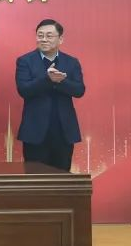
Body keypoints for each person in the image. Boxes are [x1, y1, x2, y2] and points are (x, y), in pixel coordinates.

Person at [15, 18, 85, 171]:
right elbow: (24, 90)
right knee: (35, 177)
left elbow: (79, 90)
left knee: (62, 177)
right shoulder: (25, 61)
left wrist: (60, 81)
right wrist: (47, 79)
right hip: (35, 131)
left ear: (60, 39)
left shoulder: (71, 62)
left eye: (49, 35)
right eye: (40, 35)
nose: (44, 39)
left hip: (64, 131)